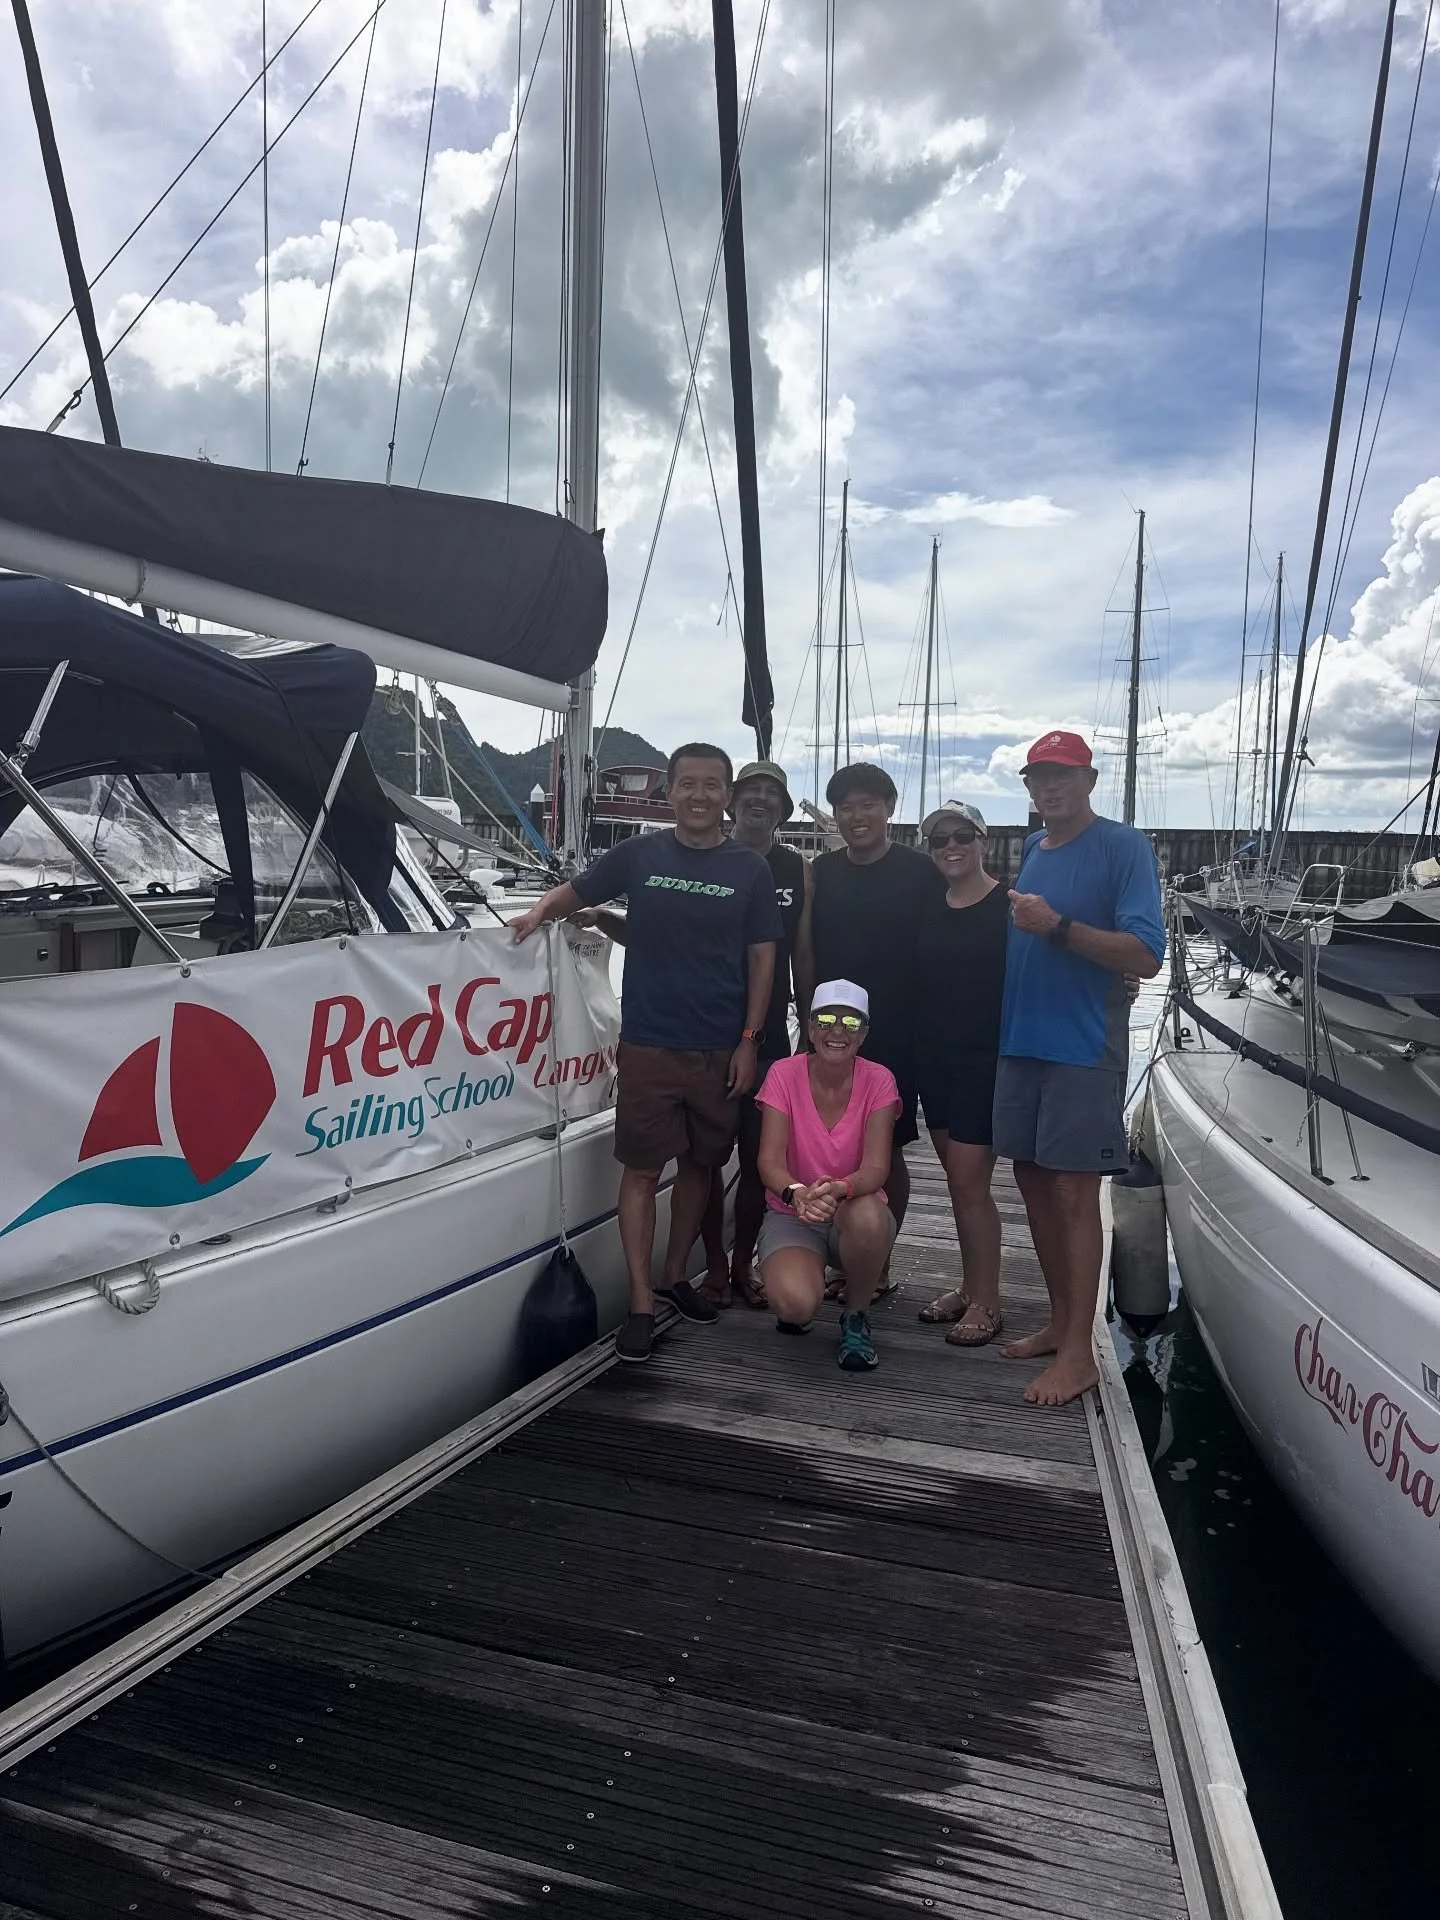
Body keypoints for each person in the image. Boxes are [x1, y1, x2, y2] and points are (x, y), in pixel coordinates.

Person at [511, 743, 781, 1364]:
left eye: (713, 785)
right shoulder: (638, 855)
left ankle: (673, 1277)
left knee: (700, 1168)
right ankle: (639, 1300)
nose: (700, 796)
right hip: (649, 1045)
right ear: (670, 792)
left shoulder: (750, 869)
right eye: (688, 784)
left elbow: (762, 956)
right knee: (640, 1171)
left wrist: (750, 1040)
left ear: (728, 794)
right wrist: (533, 917)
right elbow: (571, 894)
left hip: (719, 1047)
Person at [994, 730, 1164, 1406]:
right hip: (1021, 1043)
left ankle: (1080, 1354)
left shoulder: (1123, 846)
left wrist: (1060, 927)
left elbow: (1146, 956)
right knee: (1032, 1182)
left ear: (1089, 780)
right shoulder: (1034, 848)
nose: (1047, 787)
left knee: (1072, 1194)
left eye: (1061, 775)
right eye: (1036, 776)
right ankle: (1061, 1323)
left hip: (1081, 1047)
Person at [801, 763, 945, 1279]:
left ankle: (876, 1266)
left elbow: (962, 933)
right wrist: (805, 1020)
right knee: (827, 1141)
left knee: (889, 1149)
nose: (857, 815)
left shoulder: (921, 871)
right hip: (829, 1032)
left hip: (897, 1032)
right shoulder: (823, 872)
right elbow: (806, 949)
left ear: (890, 807)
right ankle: (830, 1253)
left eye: (868, 804)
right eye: (846, 806)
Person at [696, 760, 813, 1310]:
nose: (761, 799)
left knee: (759, 1158)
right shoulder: (707, 858)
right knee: (704, 1158)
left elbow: (803, 953)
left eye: (773, 793)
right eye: (752, 791)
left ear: (783, 808)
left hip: (769, 1038)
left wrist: (812, 1028)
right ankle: (713, 1268)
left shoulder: (797, 869)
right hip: (704, 1030)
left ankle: (743, 1267)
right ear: (733, 801)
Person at [753, 981, 899, 1371]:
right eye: (827, 1020)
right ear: (811, 1028)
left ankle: (856, 1315)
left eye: (852, 1022)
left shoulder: (880, 1079)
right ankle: (803, 1284)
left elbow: (877, 1168)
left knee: (868, 1214)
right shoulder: (783, 1074)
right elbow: (769, 1162)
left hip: (852, 1210)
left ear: (864, 1034)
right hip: (792, 1213)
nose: (838, 1031)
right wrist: (797, 1193)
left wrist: (840, 1189)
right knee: (795, 1307)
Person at [913, 802, 1009, 1348]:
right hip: (936, 1061)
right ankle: (971, 1287)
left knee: (970, 1182)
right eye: (938, 839)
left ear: (982, 840)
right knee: (957, 1182)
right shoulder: (931, 904)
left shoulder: (1008, 905)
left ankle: (989, 1303)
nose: (950, 845)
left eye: (961, 835)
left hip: (985, 1061)